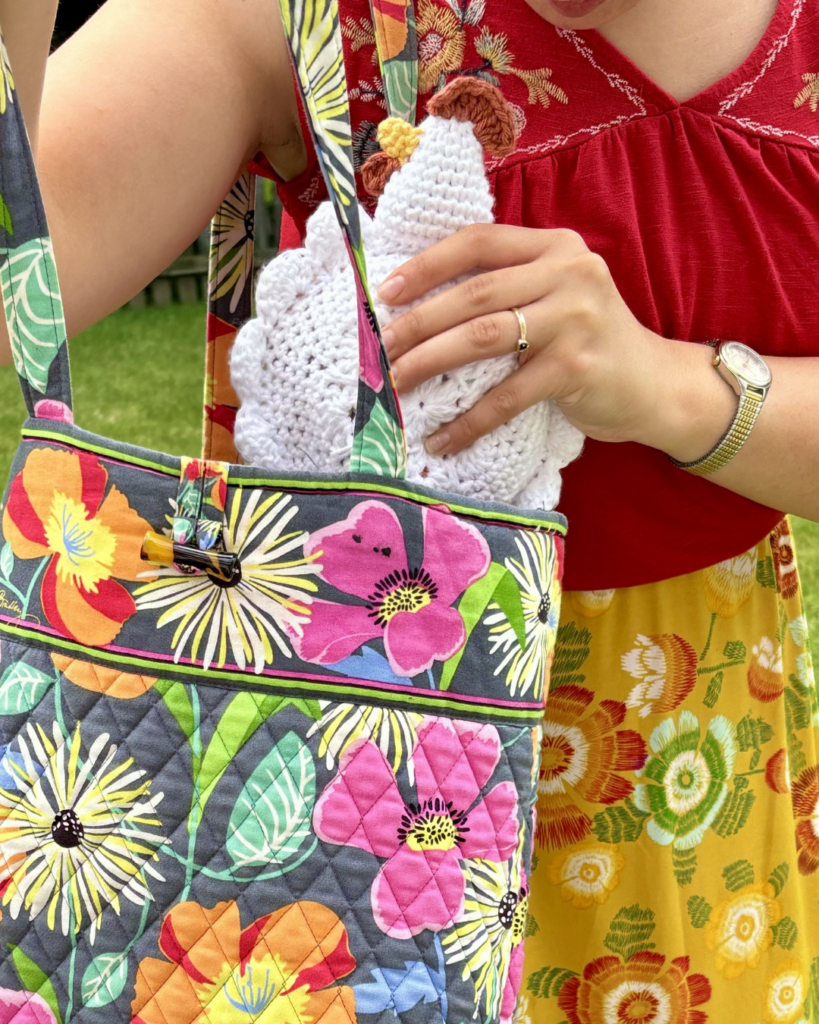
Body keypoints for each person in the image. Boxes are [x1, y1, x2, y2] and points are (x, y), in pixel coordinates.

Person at [2, 0, 819, 1020]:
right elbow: (19, 284)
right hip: (332, 741)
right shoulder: (301, 15)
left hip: (679, 757)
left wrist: (667, 387)